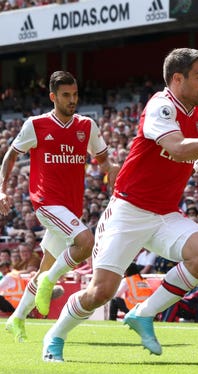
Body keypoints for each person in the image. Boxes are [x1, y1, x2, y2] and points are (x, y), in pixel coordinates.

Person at [42, 48, 198, 362]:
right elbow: (177, 148)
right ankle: (54, 336)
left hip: (164, 213)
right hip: (128, 211)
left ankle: (144, 314)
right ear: (178, 78)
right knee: (101, 292)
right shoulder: (161, 106)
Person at [0, 71, 118, 343]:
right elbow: (10, 155)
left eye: (75, 95)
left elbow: (102, 157)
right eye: (66, 95)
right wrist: (2, 190)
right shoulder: (36, 125)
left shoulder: (87, 125)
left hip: (71, 207)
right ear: (53, 96)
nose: (72, 100)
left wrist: (109, 168)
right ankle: (49, 282)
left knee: (45, 267)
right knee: (85, 241)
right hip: (46, 203)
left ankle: (17, 318)